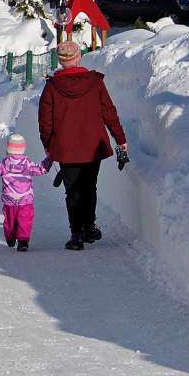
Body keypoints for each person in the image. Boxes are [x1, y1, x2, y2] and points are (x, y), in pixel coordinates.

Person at [38, 41, 127, 251]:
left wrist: (48, 144)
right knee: (89, 187)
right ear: (79, 57)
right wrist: (120, 139)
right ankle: (89, 227)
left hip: (66, 147)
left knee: (72, 191)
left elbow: (45, 120)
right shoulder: (94, 82)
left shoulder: (52, 86)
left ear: (60, 61)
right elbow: (109, 112)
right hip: (92, 144)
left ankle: (76, 234)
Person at [0, 133, 52, 252]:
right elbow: (41, 169)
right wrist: (49, 158)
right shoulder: (27, 163)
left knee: (9, 219)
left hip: (9, 199)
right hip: (26, 199)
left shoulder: (5, 163)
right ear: (23, 148)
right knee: (25, 219)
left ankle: (10, 237)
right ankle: (23, 241)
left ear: (9, 148)